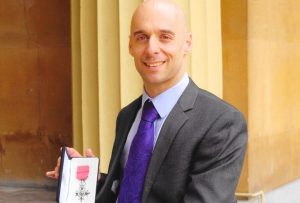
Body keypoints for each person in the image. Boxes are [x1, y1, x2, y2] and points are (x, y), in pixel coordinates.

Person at [46, 0, 248, 202]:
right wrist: (90, 179)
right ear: (130, 45)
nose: (151, 49)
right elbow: (137, 188)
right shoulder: (127, 116)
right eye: (142, 37)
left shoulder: (221, 122)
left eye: (165, 37)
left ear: (187, 43)